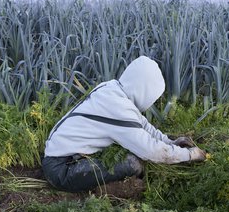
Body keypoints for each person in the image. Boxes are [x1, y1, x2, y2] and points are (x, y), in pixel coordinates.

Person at [42, 56, 207, 192]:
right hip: (61, 170)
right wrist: (190, 155)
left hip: (63, 156)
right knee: (132, 163)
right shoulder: (118, 108)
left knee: (128, 153)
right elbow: (153, 151)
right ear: (144, 89)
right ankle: (107, 192)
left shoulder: (112, 89)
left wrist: (170, 142)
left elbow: (141, 124)